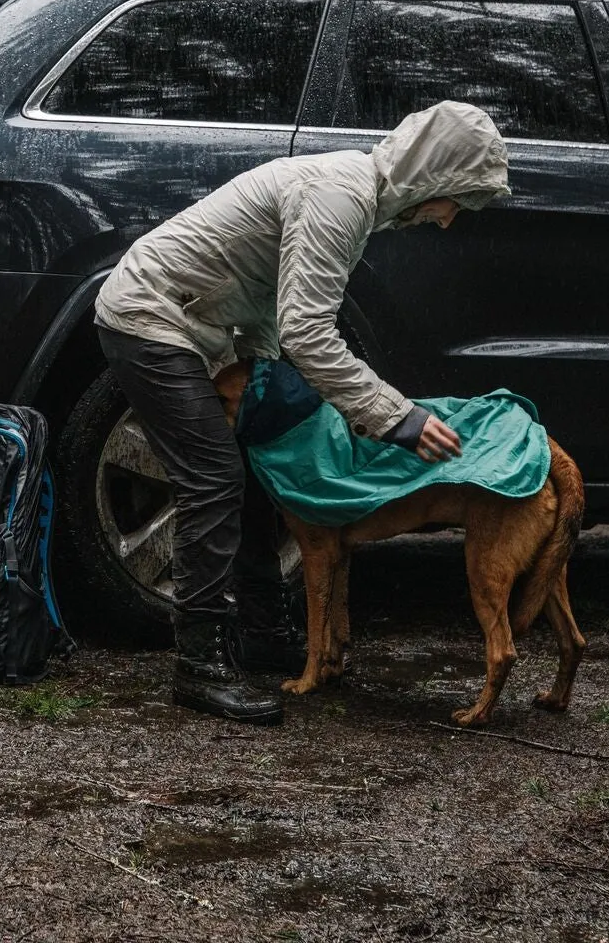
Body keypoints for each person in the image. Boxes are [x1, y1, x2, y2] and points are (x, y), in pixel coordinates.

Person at [94, 101, 512, 725]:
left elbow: (266, 293)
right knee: (212, 479)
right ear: (432, 176)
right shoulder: (341, 196)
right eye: (458, 201)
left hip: (195, 323)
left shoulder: (354, 198)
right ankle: (199, 666)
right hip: (150, 317)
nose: (449, 221)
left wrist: (263, 376)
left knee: (254, 476)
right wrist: (396, 416)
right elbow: (310, 330)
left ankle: (262, 632)